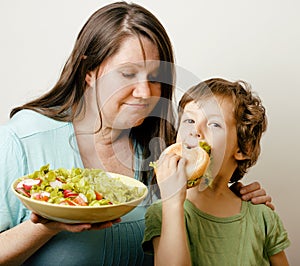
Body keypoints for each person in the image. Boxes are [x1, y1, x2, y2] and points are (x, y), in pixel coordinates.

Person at [0, 2, 273, 265]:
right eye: (128, 74)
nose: (145, 93)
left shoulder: (166, 150)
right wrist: (48, 225)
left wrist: (237, 201)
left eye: (154, 77)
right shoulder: (21, 141)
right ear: (90, 71)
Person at [143, 78, 290, 265]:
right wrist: (172, 203)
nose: (195, 130)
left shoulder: (262, 216)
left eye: (214, 124)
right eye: (189, 120)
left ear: (243, 148)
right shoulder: (164, 212)